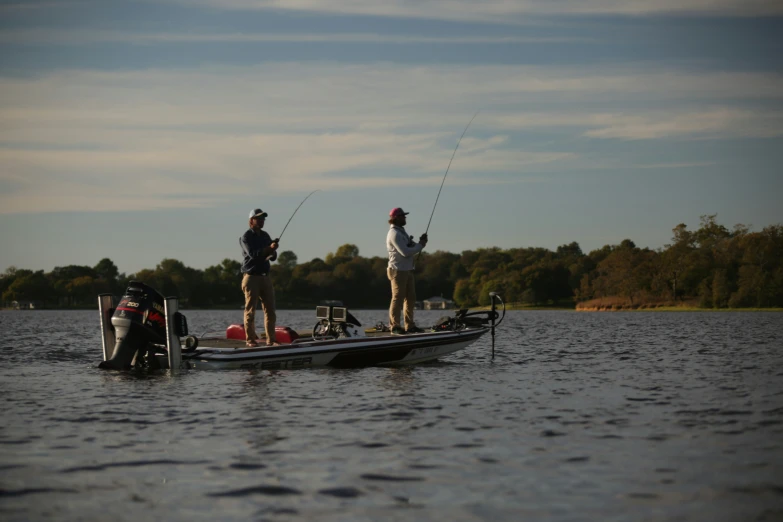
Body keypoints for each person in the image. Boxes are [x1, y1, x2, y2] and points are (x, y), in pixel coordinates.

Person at [240, 208, 280, 347]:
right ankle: (250, 340)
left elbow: (272, 257)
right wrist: (269, 249)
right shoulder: (246, 237)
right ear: (251, 221)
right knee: (250, 311)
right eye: (259, 218)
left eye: (263, 218)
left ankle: (272, 340)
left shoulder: (265, 235)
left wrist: (273, 250)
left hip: (265, 277)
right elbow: (254, 254)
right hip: (251, 277)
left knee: (270, 311)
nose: (262, 221)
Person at [386, 207, 428, 334]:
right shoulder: (394, 234)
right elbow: (405, 252)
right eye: (403, 216)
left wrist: (421, 242)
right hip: (397, 270)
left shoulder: (402, 232)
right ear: (396, 218)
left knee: (411, 298)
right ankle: (395, 326)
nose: (405, 218)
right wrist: (420, 246)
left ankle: (409, 325)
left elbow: (412, 246)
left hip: (407, 270)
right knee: (397, 298)